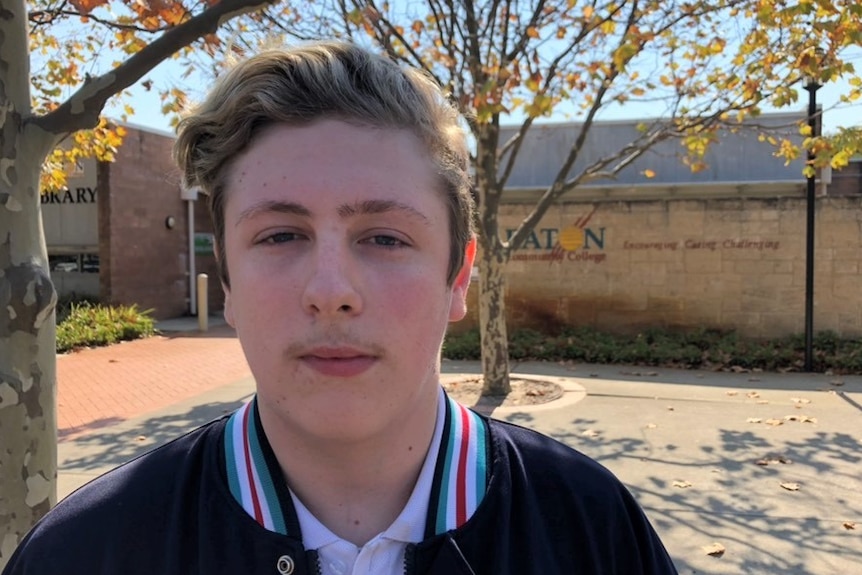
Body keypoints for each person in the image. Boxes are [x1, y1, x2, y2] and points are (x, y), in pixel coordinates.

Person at [3, 41, 678, 574]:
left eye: (385, 237)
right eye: (281, 235)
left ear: (458, 275)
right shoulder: (87, 550)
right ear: (228, 281)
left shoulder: (594, 529)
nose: (331, 289)